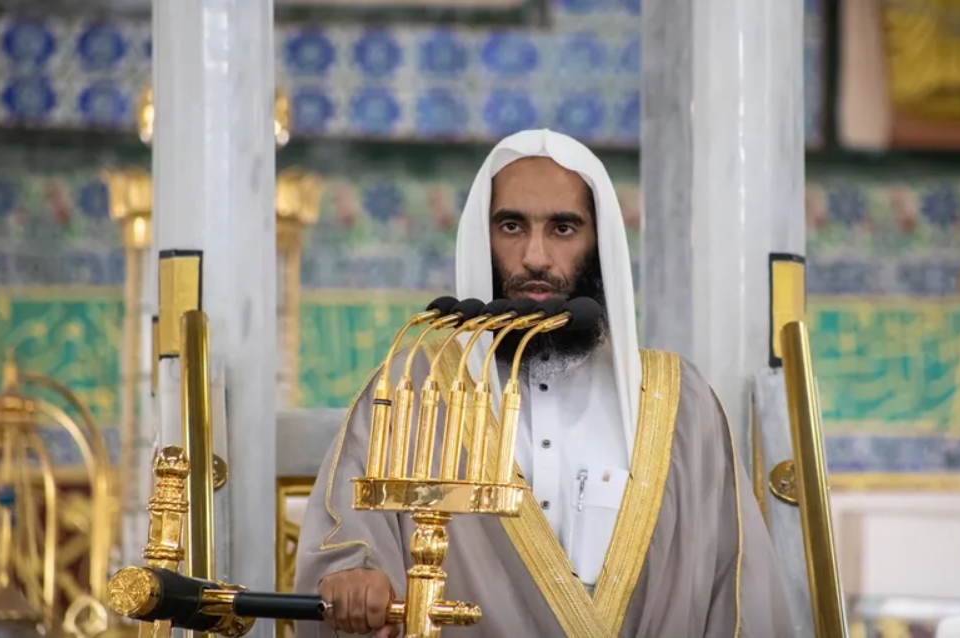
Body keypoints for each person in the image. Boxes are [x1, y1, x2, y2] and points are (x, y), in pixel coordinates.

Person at [294, 129, 795, 637]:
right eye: (512, 226)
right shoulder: (414, 389)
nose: (535, 256)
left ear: (599, 243)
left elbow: (738, 592)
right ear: (483, 238)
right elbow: (346, 547)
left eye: (563, 228)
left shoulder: (679, 404)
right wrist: (354, 582)